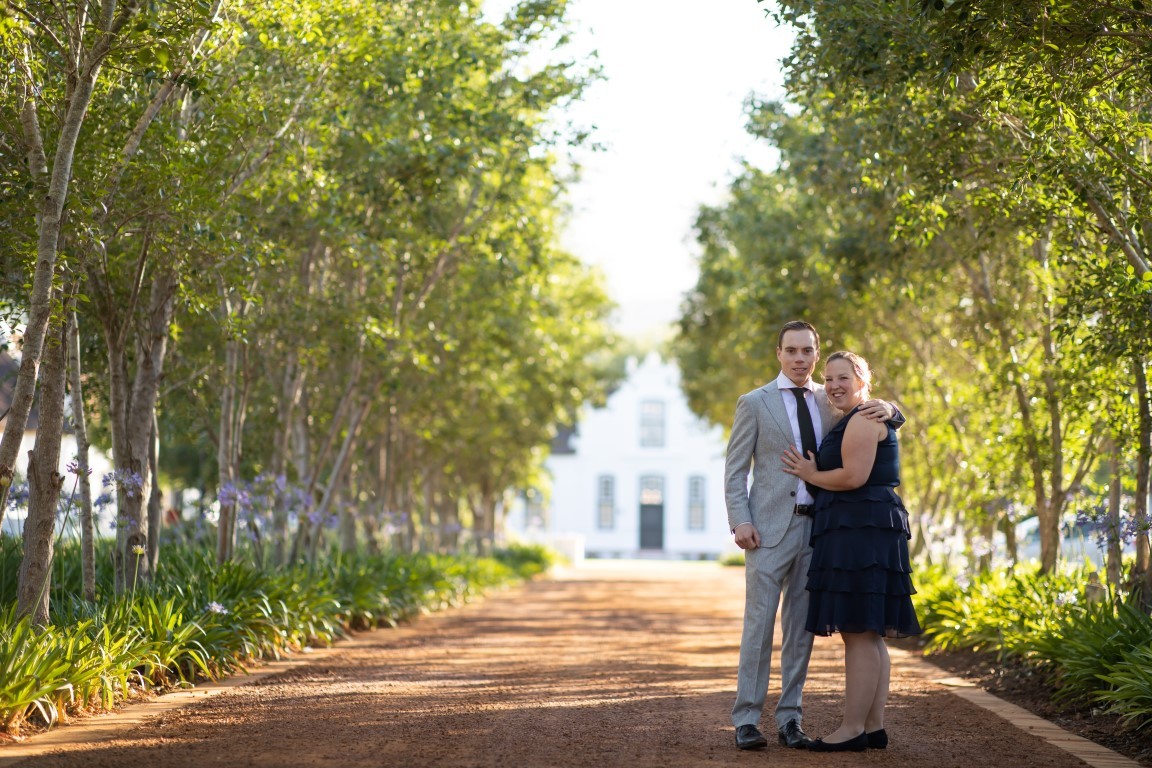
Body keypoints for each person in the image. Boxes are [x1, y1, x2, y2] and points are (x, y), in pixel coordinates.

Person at [725, 321, 901, 751]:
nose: (800, 358)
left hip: (820, 531)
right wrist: (739, 520)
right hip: (766, 531)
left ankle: (790, 719)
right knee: (759, 627)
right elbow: (735, 470)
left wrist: (894, 410)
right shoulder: (754, 402)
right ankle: (747, 718)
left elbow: (872, 414)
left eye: (807, 351)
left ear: (815, 355)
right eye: (791, 351)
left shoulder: (832, 399)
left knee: (801, 631)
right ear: (779, 354)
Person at [781, 350, 922, 752]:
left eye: (844, 377)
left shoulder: (863, 419)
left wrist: (811, 475)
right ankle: (873, 726)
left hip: (861, 529)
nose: (834, 385)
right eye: (829, 379)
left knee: (859, 632)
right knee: (868, 634)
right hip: (864, 527)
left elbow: (853, 476)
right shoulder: (862, 417)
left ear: (863, 381)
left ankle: (852, 729)